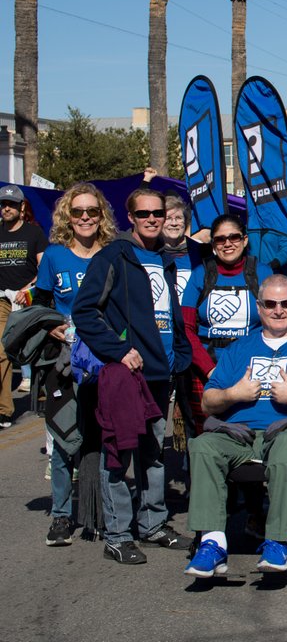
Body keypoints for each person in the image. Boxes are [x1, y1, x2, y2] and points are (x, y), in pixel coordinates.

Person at [183, 275, 287, 577]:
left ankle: (279, 541)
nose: (278, 310)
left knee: (286, 446)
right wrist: (234, 394)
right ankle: (212, 544)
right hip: (240, 433)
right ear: (259, 307)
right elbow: (208, 402)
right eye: (270, 304)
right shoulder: (239, 348)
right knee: (203, 446)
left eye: (286, 303)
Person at [72, 187, 193, 564]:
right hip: (126, 375)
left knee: (153, 454)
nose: (153, 219)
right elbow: (85, 310)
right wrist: (119, 350)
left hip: (161, 374)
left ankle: (152, 523)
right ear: (131, 218)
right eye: (144, 214)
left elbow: (170, 314)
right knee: (118, 454)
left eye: (158, 213)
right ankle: (118, 534)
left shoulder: (165, 258)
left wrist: (181, 355)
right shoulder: (114, 256)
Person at [32, 183, 117, 546]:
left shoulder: (114, 253)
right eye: (78, 212)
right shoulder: (54, 256)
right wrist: (57, 329)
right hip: (64, 361)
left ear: (101, 217)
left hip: (103, 360)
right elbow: (40, 305)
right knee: (64, 437)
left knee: (100, 439)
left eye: (92, 212)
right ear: (68, 215)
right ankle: (62, 516)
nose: (85, 218)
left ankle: (99, 514)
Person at [180, 215, 274, 436]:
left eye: (233, 237)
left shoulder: (263, 273)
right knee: (206, 435)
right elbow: (186, 328)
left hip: (251, 369)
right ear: (213, 244)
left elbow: (276, 323)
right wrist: (209, 369)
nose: (228, 243)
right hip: (206, 369)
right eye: (220, 239)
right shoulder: (200, 275)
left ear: (244, 239)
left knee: (249, 432)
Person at [0, 183, 47, 426]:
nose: (6, 208)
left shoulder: (33, 234)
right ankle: (5, 410)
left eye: (11, 204)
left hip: (27, 300)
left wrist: (28, 290)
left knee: (34, 349)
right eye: (3, 204)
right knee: (1, 352)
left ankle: (43, 392)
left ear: (21, 207)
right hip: (2, 301)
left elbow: (43, 268)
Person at [162, 195, 205, 303]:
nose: (174, 223)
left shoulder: (202, 252)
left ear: (185, 222)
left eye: (178, 218)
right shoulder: (153, 253)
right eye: (168, 218)